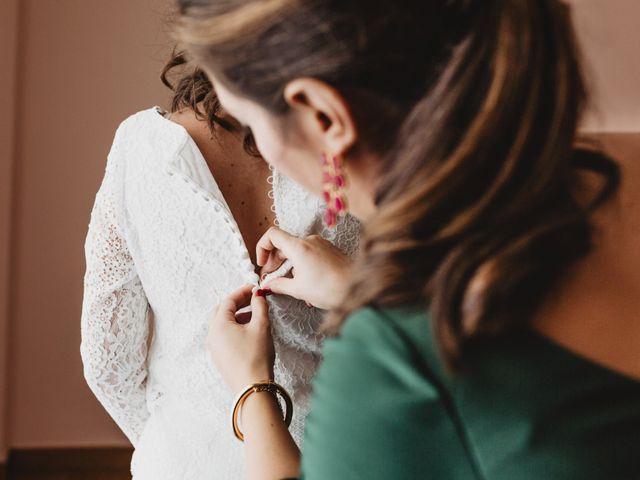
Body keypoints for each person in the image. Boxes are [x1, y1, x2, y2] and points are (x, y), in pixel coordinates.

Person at [174, 0, 640, 478]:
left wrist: (251, 390)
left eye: (249, 121)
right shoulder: (626, 160)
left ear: (324, 117)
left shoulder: (389, 358)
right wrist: (358, 289)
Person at [79, 51, 360, 479]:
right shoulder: (361, 140)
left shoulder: (139, 149)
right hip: (358, 454)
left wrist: (184, 445)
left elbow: (108, 362)